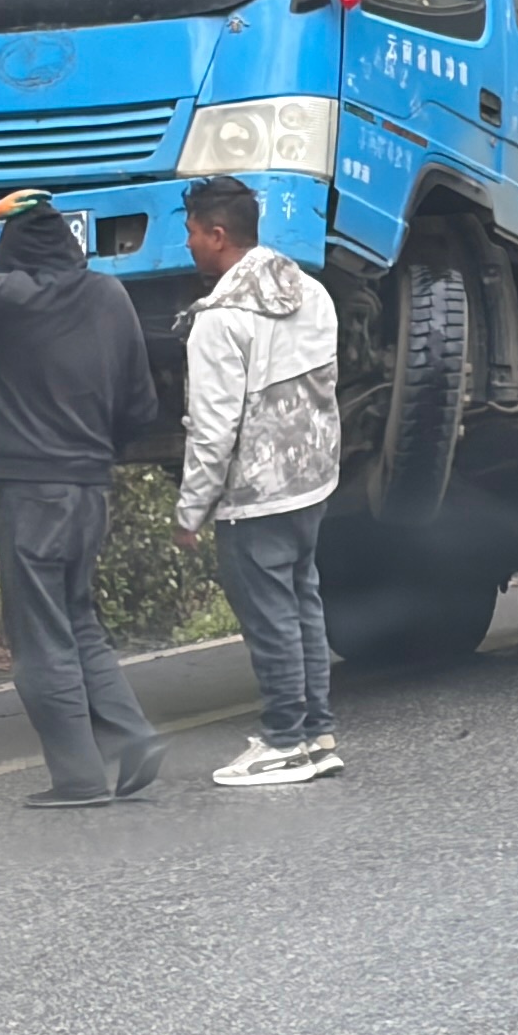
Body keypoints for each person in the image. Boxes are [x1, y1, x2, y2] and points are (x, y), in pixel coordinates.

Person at [0, 190, 167, 807]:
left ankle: (77, 776)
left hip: (30, 491)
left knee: (40, 635)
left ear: (15, 254)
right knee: (79, 620)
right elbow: (141, 407)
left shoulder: (6, 299)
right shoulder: (111, 297)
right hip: (90, 489)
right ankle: (133, 736)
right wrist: (101, 448)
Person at [171, 177, 346, 785]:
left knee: (270, 616)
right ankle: (317, 734)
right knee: (303, 606)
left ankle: (284, 741)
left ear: (218, 235)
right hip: (313, 479)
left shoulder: (219, 320)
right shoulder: (314, 293)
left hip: (255, 492)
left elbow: (214, 429)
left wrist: (192, 508)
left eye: (192, 231)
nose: (188, 243)